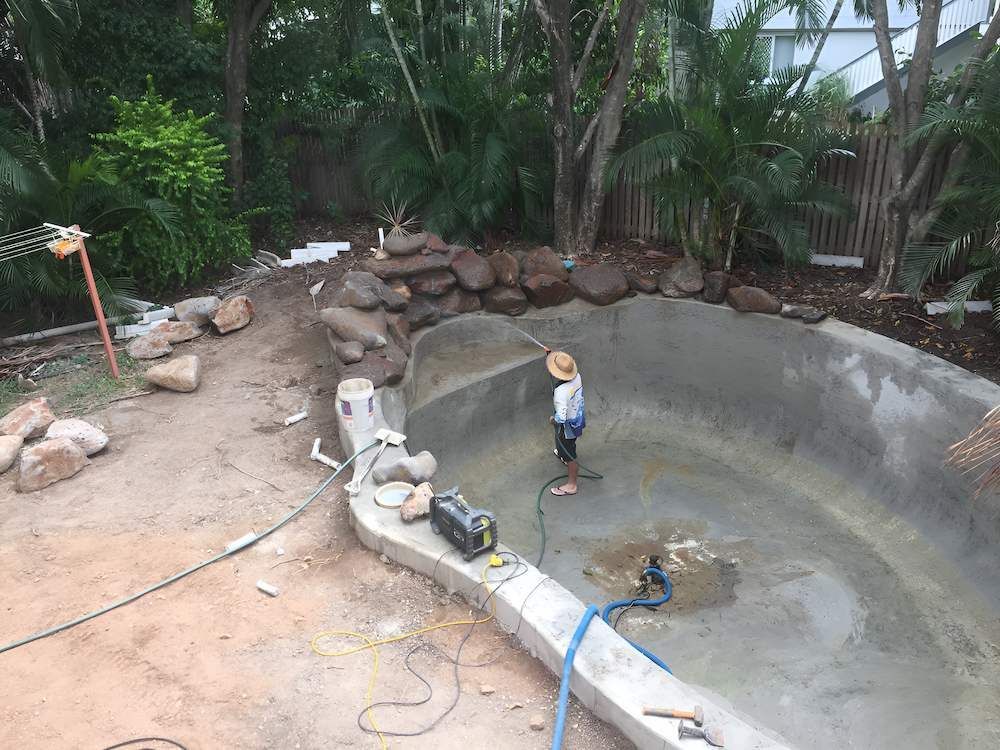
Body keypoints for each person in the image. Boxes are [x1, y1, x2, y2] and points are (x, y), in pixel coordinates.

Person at [544, 348, 585, 496]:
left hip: (567, 426)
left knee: (569, 453)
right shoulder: (577, 376)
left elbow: (560, 417)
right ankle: (563, 453)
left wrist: (553, 420)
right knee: (566, 445)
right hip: (577, 418)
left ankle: (572, 484)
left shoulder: (560, 393)